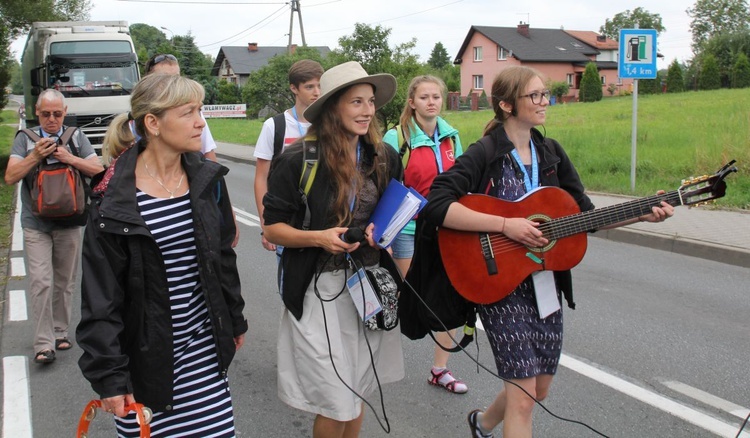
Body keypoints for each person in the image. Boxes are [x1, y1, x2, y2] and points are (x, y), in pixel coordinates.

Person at [419, 66, 674, 438]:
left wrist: (641, 214)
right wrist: (507, 226)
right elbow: (437, 203)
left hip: (546, 287)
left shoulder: (550, 152)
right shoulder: (486, 153)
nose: (545, 102)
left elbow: (586, 217)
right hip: (500, 286)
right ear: (507, 105)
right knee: (522, 398)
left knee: (537, 389)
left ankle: (483, 424)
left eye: (545, 95)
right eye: (535, 96)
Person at [76, 74, 248, 438]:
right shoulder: (113, 198)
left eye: (200, 110)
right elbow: (100, 297)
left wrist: (234, 317)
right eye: (188, 112)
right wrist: (110, 375)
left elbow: (221, 258)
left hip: (203, 351)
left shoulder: (206, 179)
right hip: (145, 361)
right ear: (152, 123)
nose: (201, 121)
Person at [263, 61, 404, 438]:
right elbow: (273, 228)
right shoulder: (298, 160)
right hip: (318, 290)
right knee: (336, 396)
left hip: (368, 284)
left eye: (371, 102)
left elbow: (393, 212)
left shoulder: (384, 157)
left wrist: (381, 231)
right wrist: (319, 237)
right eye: (356, 102)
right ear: (332, 108)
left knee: (357, 391)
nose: (367, 111)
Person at [382, 75, 468, 394]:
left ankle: (440, 369)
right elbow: (382, 188)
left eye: (436, 96)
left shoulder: (451, 138)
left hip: (444, 228)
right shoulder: (397, 138)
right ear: (412, 102)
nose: (431, 102)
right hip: (406, 230)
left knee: (451, 294)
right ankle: (373, 348)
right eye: (424, 97)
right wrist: (385, 241)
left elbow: (461, 182)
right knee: (410, 296)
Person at [5, 89, 104, 364]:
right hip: (36, 223)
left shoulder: (76, 137)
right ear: (37, 113)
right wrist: (36, 156)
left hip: (71, 220)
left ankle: (61, 331)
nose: (52, 119)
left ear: (65, 112)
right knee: (41, 282)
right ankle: (43, 343)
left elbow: (98, 170)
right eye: (46, 114)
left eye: (57, 114)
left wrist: (67, 157)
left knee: (64, 282)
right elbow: (11, 176)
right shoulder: (25, 139)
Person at [141, 53, 241, 247]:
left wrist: (226, 213)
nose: (201, 123)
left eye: (176, 78)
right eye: (164, 80)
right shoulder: (123, 183)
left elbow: (211, 165)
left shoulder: (195, 123)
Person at [254, 59, 323, 253]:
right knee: (291, 282)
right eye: (309, 87)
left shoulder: (330, 123)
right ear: (294, 88)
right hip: (288, 222)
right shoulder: (275, 126)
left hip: (323, 222)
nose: (317, 92)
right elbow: (261, 178)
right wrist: (266, 225)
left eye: (320, 86)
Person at [142, 53, 219, 161]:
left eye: (177, 78)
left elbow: (208, 154)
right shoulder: (134, 122)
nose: (174, 84)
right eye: (165, 80)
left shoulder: (195, 114)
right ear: (152, 122)